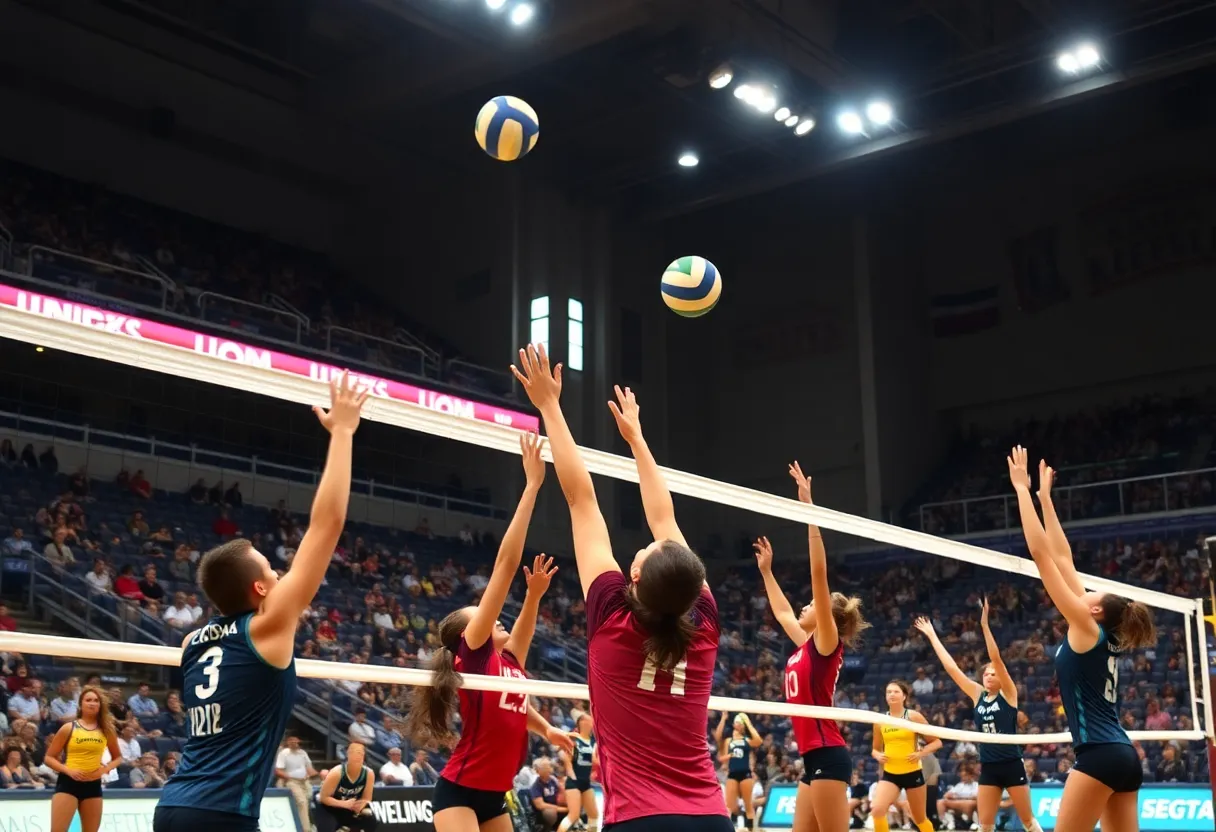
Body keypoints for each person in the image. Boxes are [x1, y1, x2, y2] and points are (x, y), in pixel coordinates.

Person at [511, 347, 731, 832]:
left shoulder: (612, 614)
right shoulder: (706, 622)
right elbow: (664, 519)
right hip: (711, 817)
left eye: (649, 551)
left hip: (640, 818)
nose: (651, 544)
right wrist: (637, 440)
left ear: (635, 577)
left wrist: (549, 407)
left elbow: (581, 497)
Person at [154, 372, 368, 832]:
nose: (279, 572)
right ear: (261, 590)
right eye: (272, 569)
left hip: (172, 806)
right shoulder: (267, 627)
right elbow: (327, 525)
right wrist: (345, 433)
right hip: (220, 814)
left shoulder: (193, 641)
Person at [405, 431, 572, 832]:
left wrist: (533, 597)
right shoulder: (474, 653)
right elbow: (505, 564)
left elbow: (514, 699)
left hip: (495, 793)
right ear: (469, 633)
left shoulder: (509, 660)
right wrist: (532, 487)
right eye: (481, 614)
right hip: (460, 789)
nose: (493, 616)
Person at [1007, 447, 1156, 832]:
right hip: (1124, 756)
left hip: (1099, 756)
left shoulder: (1086, 627)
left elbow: (1043, 557)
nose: (1083, 589)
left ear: (1094, 610)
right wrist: (1045, 499)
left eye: (1090, 592)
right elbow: (1063, 558)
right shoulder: (1101, 633)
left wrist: (1021, 491)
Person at [753, 461, 869, 832]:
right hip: (811, 757)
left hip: (828, 755)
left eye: (812, 604)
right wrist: (767, 573)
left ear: (824, 615)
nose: (804, 605)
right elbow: (785, 613)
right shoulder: (806, 644)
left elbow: (818, 574)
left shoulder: (826, 641)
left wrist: (808, 507)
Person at [914, 600, 1043, 832]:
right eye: (986, 673)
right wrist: (933, 636)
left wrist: (984, 625)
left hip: (1012, 764)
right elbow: (953, 670)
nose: (989, 675)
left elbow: (996, 659)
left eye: (993, 674)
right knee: (985, 825)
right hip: (989, 766)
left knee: (1027, 821)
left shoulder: (1009, 694)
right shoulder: (977, 695)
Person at [42, 687, 122, 832]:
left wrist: (104, 770)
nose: (92, 703)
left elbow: (118, 757)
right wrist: (68, 770)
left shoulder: (107, 730)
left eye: (96, 700)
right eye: (88, 700)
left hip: (93, 784)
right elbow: (49, 757)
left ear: (100, 705)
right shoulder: (69, 728)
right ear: (80, 704)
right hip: (68, 783)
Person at [869, 680, 941, 832]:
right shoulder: (880, 721)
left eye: (896, 692)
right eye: (889, 692)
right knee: (877, 810)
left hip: (912, 773)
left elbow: (936, 742)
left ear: (904, 696)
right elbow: (874, 749)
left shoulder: (913, 716)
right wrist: (878, 756)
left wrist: (921, 753)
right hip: (890, 774)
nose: (892, 695)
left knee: (919, 818)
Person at [315, 741, 378, 832]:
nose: (356, 756)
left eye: (359, 753)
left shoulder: (369, 773)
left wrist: (360, 804)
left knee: (370, 820)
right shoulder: (337, 772)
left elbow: (367, 797)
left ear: (364, 756)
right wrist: (343, 804)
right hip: (328, 807)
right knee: (328, 827)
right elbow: (323, 797)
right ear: (347, 755)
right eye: (353, 752)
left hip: (348, 807)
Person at [714, 714, 762, 828]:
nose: (738, 724)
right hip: (732, 773)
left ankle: (751, 829)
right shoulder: (729, 741)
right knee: (730, 806)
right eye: (737, 722)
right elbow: (721, 754)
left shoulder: (747, 740)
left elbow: (758, 740)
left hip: (745, 773)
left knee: (748, 805)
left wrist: (748, 723)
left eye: (740, 723)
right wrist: (730, 755)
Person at [558, 713, 599, 832]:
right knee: (573, 815)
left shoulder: (593, 741)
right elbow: (560, 745)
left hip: (586, 782)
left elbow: (594, 760)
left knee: (594, 815)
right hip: (573, 781)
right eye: (586, 721)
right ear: (580, 724)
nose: (589, 723)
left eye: (590, 721)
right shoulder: (574, 737)